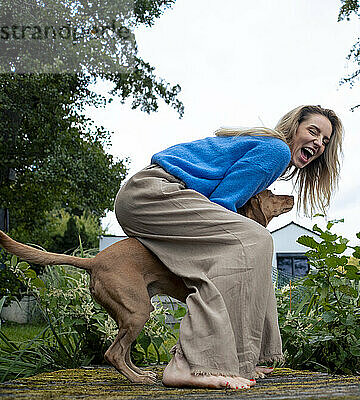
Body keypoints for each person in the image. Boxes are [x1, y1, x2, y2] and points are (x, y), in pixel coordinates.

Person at [113, 105, 343, 389]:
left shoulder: (270, 150)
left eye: (325, 141)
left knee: (254, 243)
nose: (319, 143)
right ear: (294, 127)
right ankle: (188, 364)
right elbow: (222, 204)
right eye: (313, 131)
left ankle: (247, 359)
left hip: (147, 197)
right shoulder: (277, 150)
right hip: (152, 192)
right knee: (253, 240)